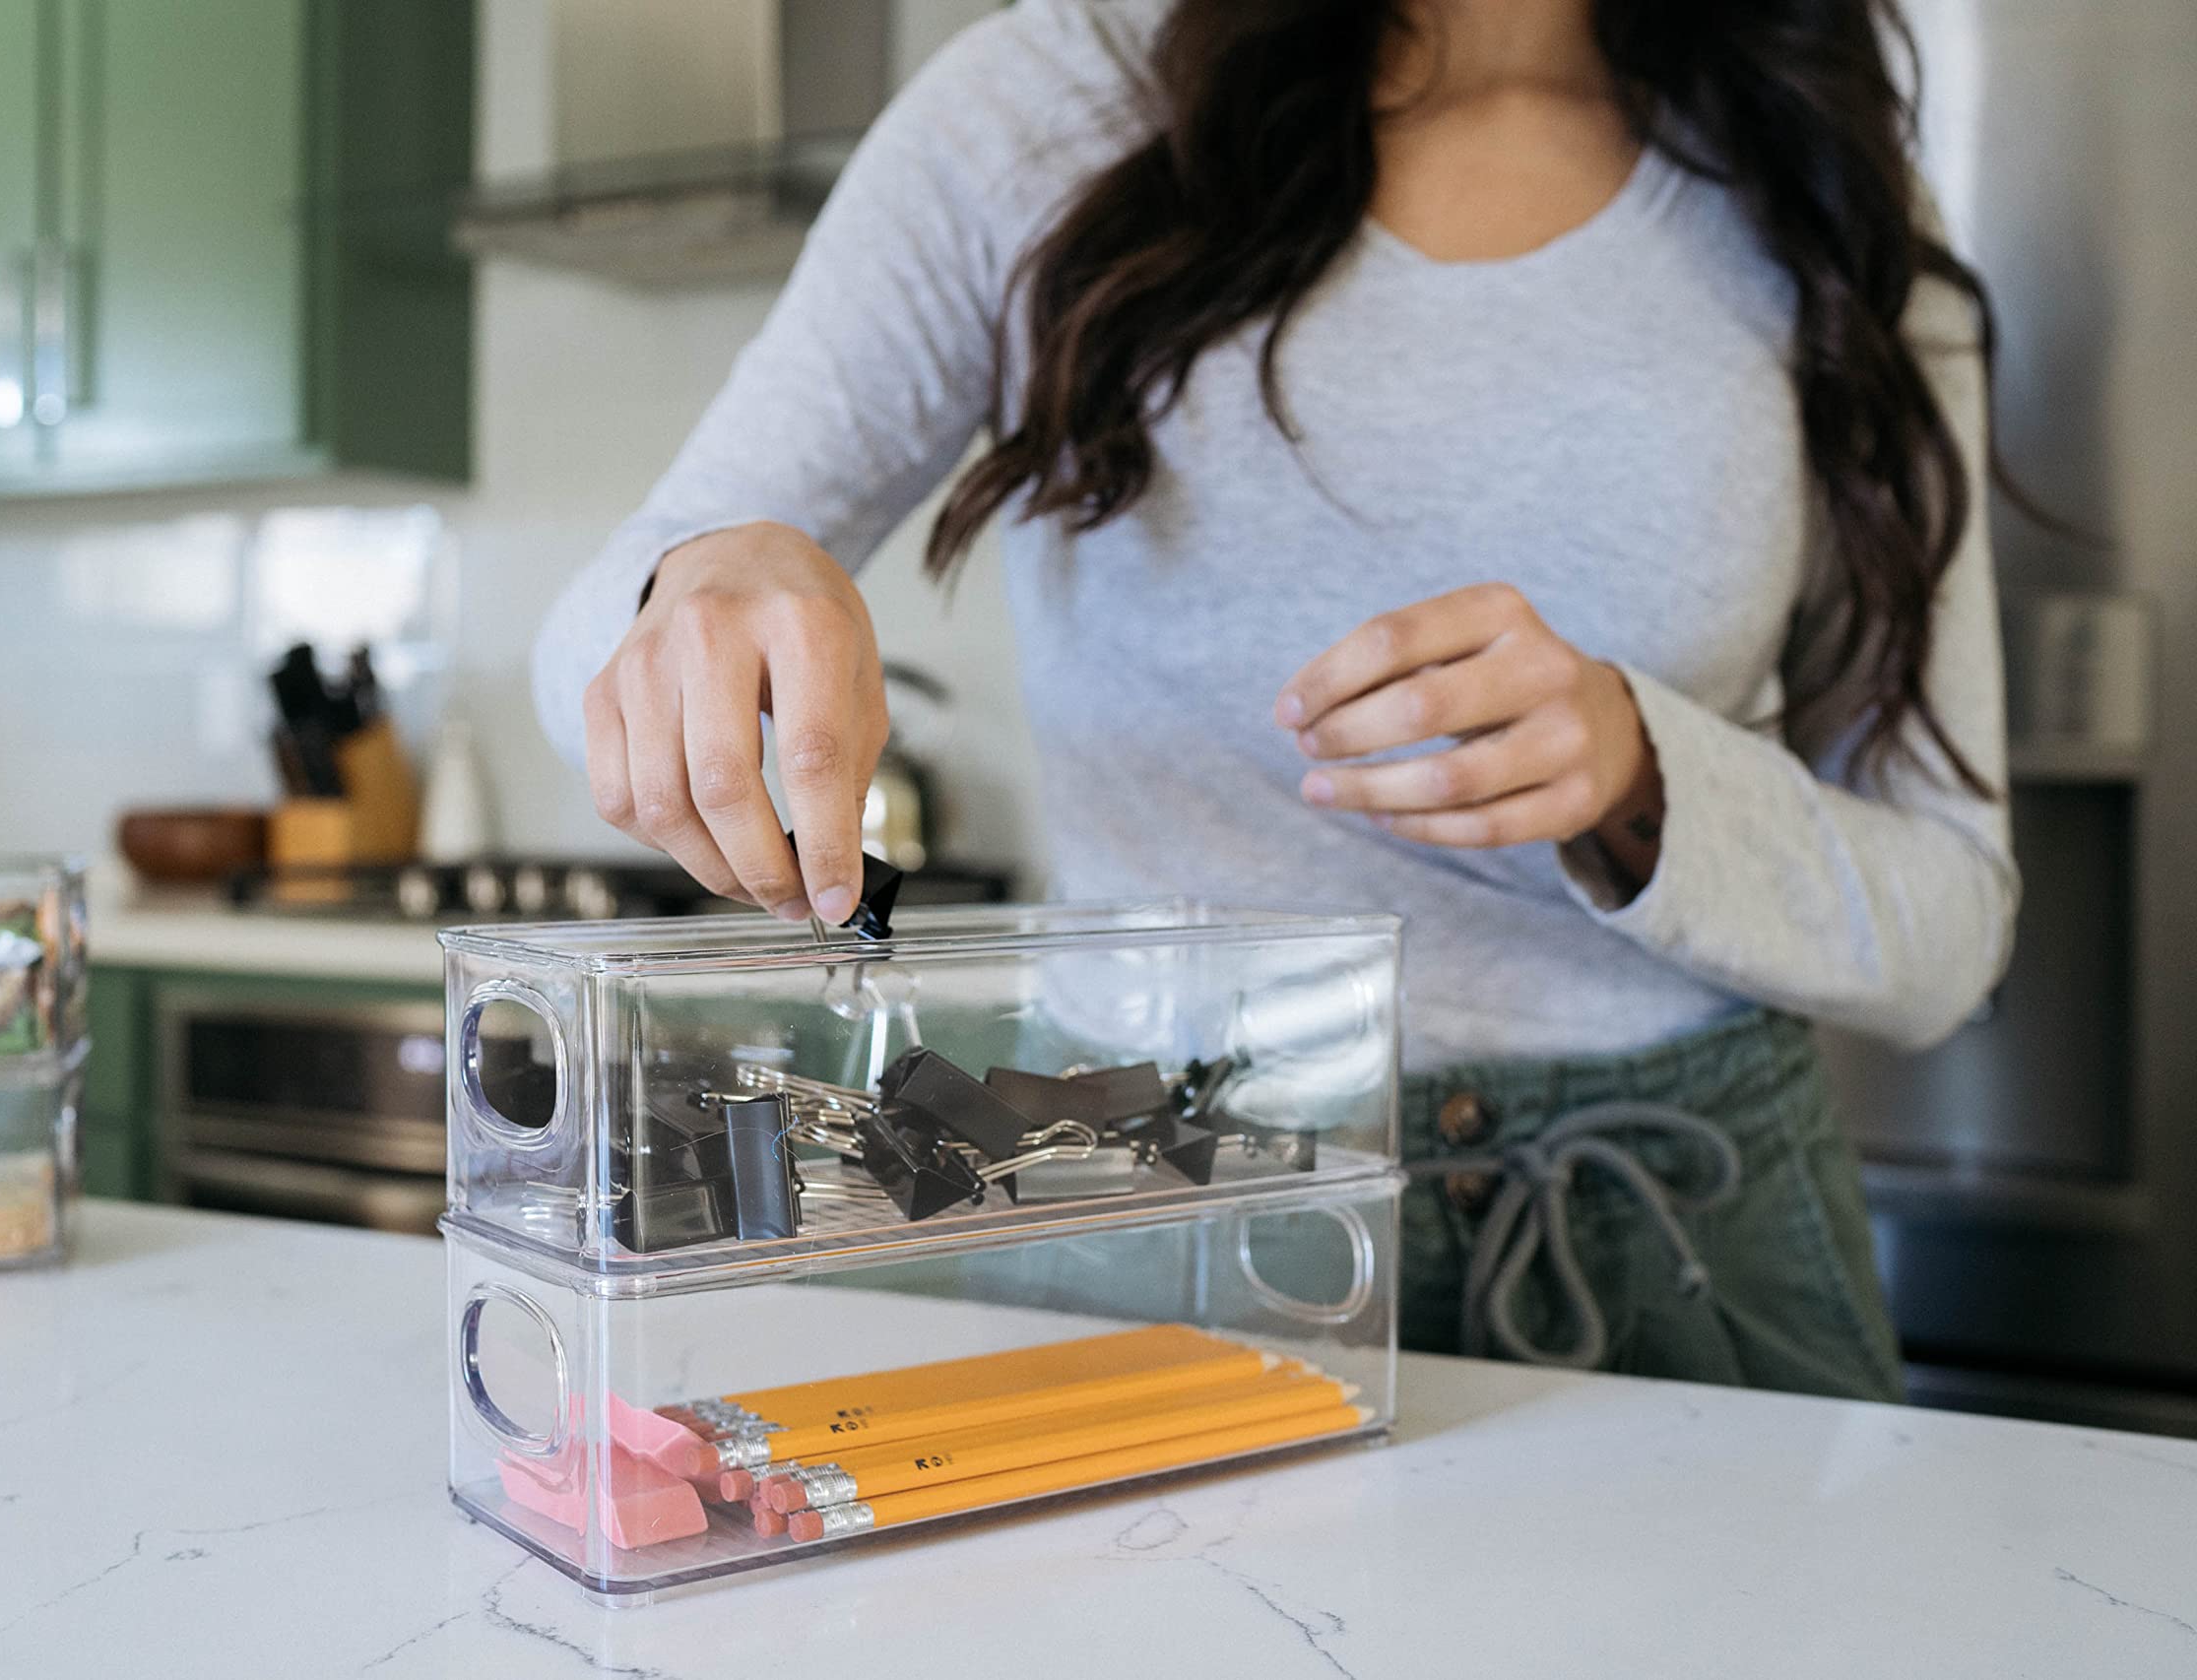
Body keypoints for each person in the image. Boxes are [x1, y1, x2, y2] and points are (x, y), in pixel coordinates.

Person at [531, 0, 2018, 1401]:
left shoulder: (1816, 177)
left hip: (1694, 1238)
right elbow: (593, 648)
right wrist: (699, 587)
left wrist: (1646, 789)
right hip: (1153, 1207)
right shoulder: (1042, 105)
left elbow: (1952, 926)